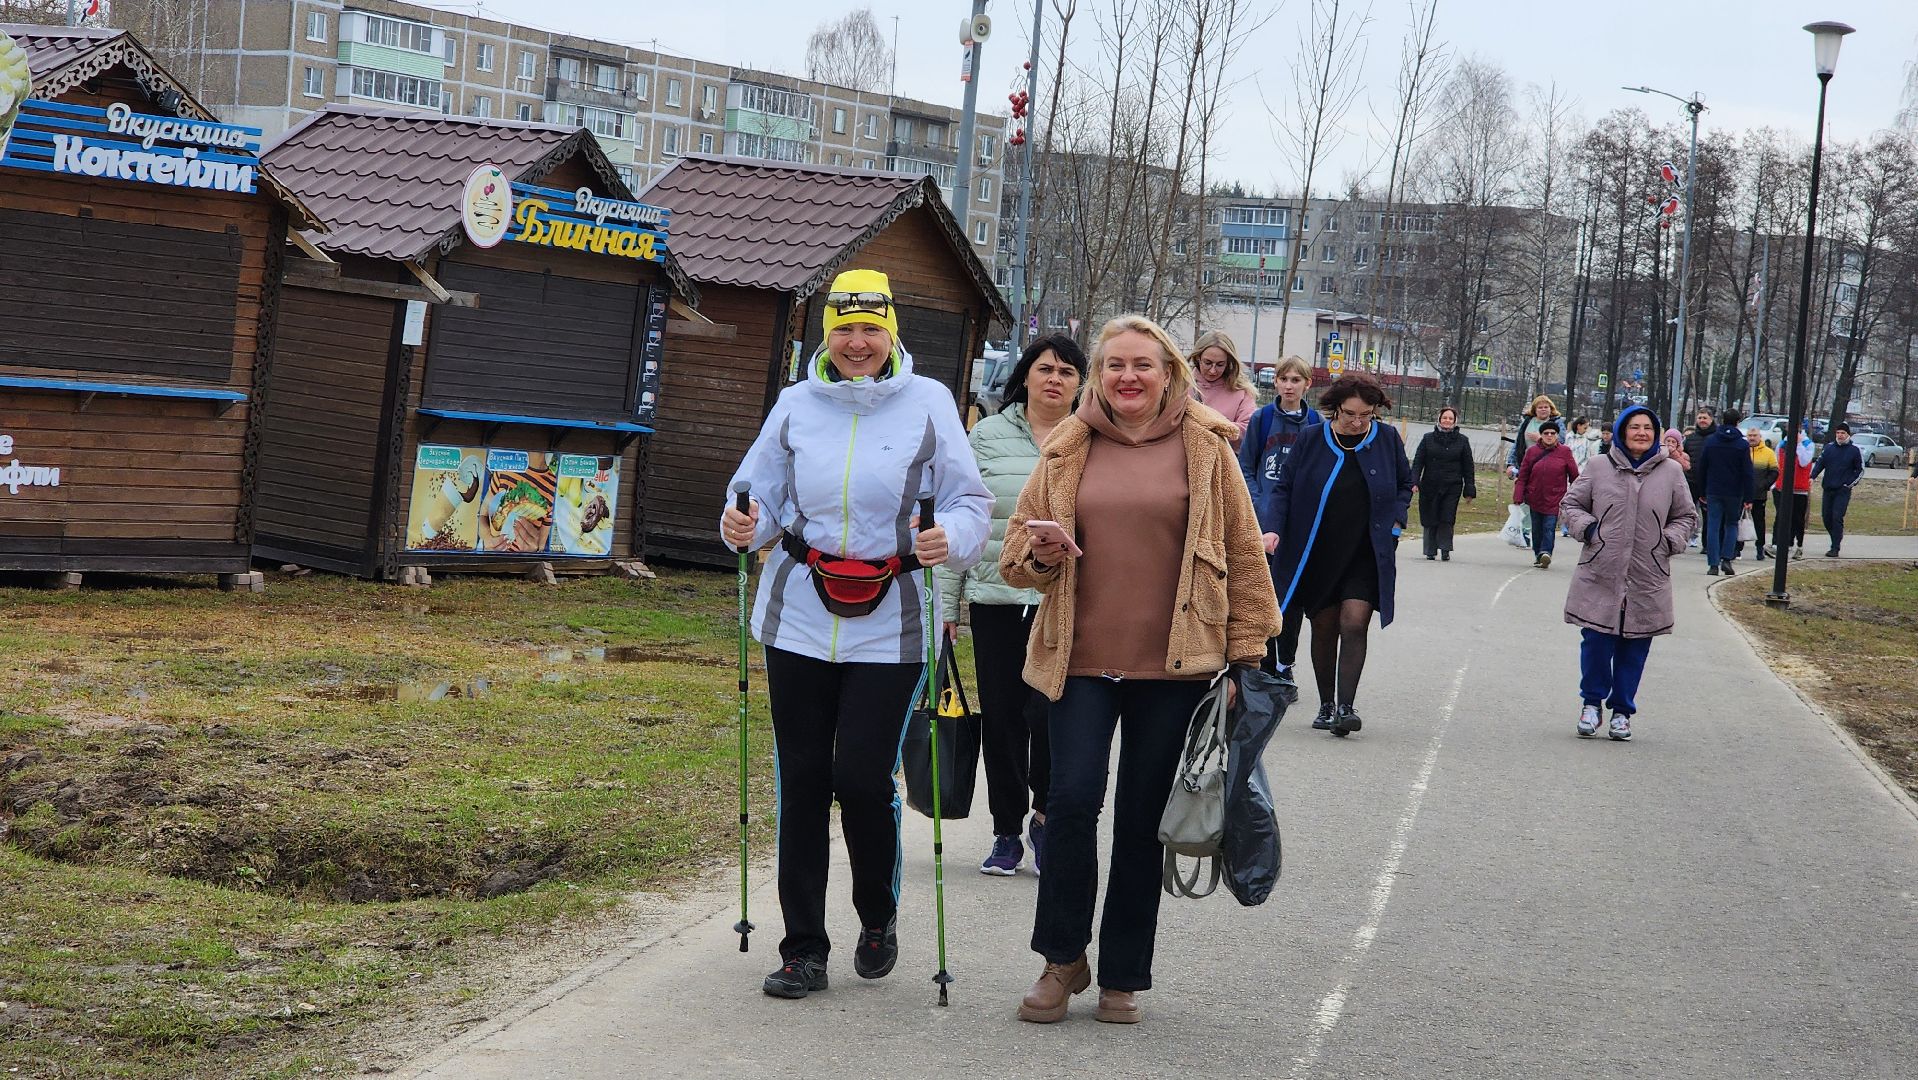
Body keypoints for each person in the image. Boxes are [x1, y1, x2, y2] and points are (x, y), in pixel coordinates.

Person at [720, 269, 992, 1000]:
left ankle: (878, 915)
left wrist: (952, 537)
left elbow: (970, 500)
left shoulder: (930, 403)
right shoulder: (794, 406)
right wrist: (742, 525)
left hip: (893, 617)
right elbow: (757, 495)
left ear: (892, 332)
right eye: (844, 329)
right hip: (799, 614)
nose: (858, 343)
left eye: (871, 329)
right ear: (827, 335)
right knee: (803, 780)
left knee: (863, 778)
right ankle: (803, 948)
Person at [1001, 314, 1278, 1026]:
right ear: (1100, 373)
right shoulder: (1067, 447)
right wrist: (1043, 555)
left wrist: (1249, 657)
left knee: (1140, 823)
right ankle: (1061, 959)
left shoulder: (1206, 447)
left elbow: (1245, 555)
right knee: (1070, 805)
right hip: (1078, 663)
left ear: (1170, 374)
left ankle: (1123, 972)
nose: (1129, 376)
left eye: (1143, 365)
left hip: (1176, 669)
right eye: (1116, 364)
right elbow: (1014, 559)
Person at [936, 333, 1087, 878]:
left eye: (1067, 372)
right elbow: (961, 519)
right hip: (998, 598)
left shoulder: (1092, 437)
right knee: (1002, 719)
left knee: (1048, 716)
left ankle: (1045, 819)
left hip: (1063, 603)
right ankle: (1005, 832)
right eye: (1045, 369)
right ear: (1024, 375)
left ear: (1079, 384)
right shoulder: (987, 436)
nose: (1055, 380)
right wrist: (948, 607)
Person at [1265, 373, 1414, 736]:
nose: (1358, 422)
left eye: (1367, 415)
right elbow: (1283, 487)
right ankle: (1326, 704)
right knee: (1325, 625)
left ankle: (1346, 707)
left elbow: (1404, 485)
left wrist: (1396, 522)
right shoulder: (1312, 438)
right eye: (1350, 414)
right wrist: (1272, 528)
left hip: (1364, 550)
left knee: (1354, 622)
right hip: (1317, 549)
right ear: (1335, 408)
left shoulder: (1387, 439)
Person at [1558, 405, 1698, 741]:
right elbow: (1570, 504)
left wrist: (1667, 541)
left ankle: (1622, 711)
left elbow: (1687, 517)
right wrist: (1589, 530)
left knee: (1635, 646)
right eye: (1634, 427)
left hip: (1647, 574)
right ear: (1622, 431)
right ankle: (1591, 704)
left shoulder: (1671, 473)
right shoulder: (1598, 466)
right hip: (1601, 571)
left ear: (1656, 434)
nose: (1641, 433)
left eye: (1648, 428)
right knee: (1595, 641)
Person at [1241, 355, 1323, 699]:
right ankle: (1263, 662)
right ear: (1275, 383)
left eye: (1296, 380)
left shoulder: (1316, 423)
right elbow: (1246, 466)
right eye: (1284, 379)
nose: (1289, 386)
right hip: (1264, 523)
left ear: (1307, 385)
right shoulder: (1262, 420)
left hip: (1299, 526)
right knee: (1264, 594)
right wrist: (1261, 504)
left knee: (1292, 600)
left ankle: (1284, 662)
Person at [1410, 405, 1477, 561]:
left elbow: (1468, 467)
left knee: (1447, 517)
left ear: (1455, 422)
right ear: (1439, 420)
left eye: (1450, 418)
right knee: (1430, 516)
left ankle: (1445, 549)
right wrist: (1414, 482)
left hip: (1452, 485)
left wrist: (1469, 489)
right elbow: (1418, 462)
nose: (1447, 420)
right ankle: (1430, 550)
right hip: (1430, 485)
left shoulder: (1462, 441)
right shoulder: (1428, 439)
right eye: (1445, 418)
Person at [1695, 408, 1755, 576]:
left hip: (1713, 489)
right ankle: (1727, 559)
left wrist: (1702, 490)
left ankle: (1713, 564)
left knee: (1713, 526)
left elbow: (1702, 467)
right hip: (1734, 492)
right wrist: (1749, 496)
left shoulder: (1712, 441)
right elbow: (1748, 472)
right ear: (1738, 422)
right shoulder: (1742, 444)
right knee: (1731, 525)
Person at [1514, 420, 1578, 569]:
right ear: (1541, 435)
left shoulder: (1565, 452)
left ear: (1557, 435)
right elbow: (1523, 476)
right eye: (1546, 433)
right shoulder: (1532, 452)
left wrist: (1578, 494)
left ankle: (1546, 553)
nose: (1549, 436)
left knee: (1549, 527)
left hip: (1555, 498)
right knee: (1536, 529)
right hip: (1535, 496)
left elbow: (1574, 475)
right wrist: (1518, 496)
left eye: (1552, 433)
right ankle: (1538, 555)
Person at [1189, 329, 1257, 448]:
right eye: (1208, 363)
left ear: (1229, 363)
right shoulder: (1180, 385)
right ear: (1198, 358)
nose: (1213, 370)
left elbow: (1248, 430)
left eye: (1220, 364)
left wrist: (1211, 427)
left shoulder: (1241, 391)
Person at [1811, 421, 1865, 557]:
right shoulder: (1829, 448)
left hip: (1842, 491)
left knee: (1837, 517)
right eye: (1838, 433)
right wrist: (1812, 476)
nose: (1840, 435)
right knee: (1826, 518)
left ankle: (1835, 547)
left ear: (1848, 434)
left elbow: (1860, 470)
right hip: (1828, 488)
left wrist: (1848, 484)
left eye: (1843, 433)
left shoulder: (1854, 450)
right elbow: (1820, 463)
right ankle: (1836, 536)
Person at [1774, 424, 1814, 559]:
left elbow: (1804, 462)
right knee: (1784, 517)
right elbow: (1777, 462)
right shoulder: (1782, 444)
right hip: (1783, 487)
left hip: (1799, 489)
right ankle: (1784, 544)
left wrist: (1798, 444)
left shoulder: (1808, 444)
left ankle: (1799, 545)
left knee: (1798, 519)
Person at [1682, 407, 1716, 548]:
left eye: (1705, 418)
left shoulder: (1715, 438)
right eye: (1700, 418)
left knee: (1709, 516)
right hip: (1691, 481)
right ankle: (1682, 541)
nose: (1702, 421)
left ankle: (1707, 545)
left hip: (1709, 482)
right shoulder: (1690, 439)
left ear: (1711, 420)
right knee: (1686, 514)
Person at [1743, 428, 1779, 561]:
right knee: (1740, 521)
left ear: (1760, 437)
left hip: (1759, 494)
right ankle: (1737, 549)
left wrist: (1764, 485)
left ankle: (1759, 548)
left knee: (1759, 522)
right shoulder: (1743, 451)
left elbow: (1775, 471)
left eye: (1754, 435)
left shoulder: (1768, 453)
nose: (1752, 438)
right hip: (1742, 493)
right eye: (1750, 436)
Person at [1508, 394, 1560, 475]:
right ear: (1535, 410)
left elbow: (1561, 442)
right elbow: (1518, 443)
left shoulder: (1557, 422)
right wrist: (1511, 464)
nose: (1543, 409)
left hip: (1547, 466)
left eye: (1546, 407)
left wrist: (1541, 439)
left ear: (1551, 409)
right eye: (1540, 407)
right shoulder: (1527, 422)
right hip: (1526, 464)